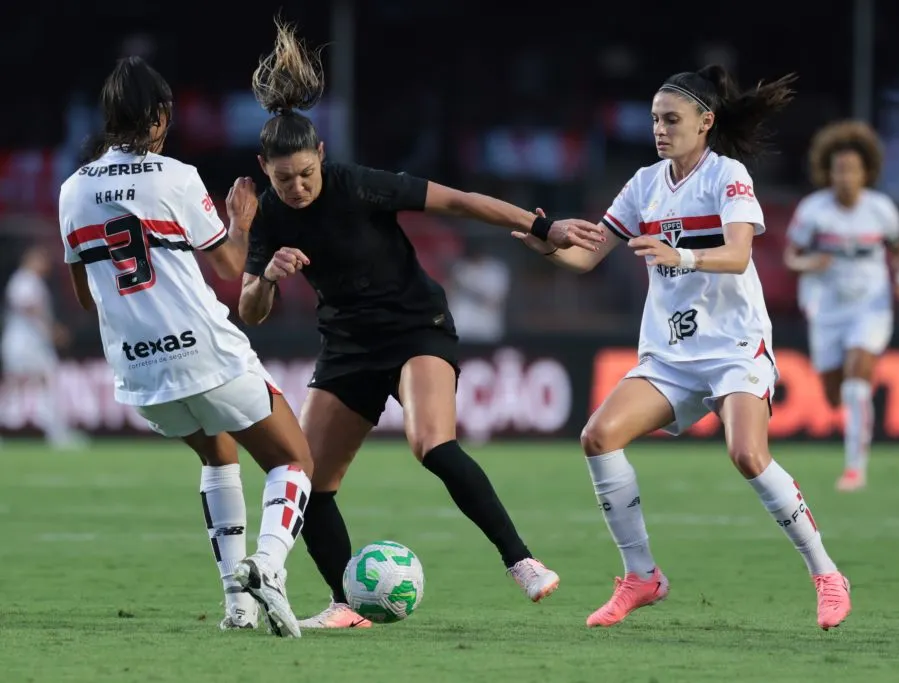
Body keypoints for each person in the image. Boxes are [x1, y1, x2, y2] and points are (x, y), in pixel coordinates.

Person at [237, 18, 604, 629]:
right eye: (283, 178)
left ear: (322, 155)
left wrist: (544, 226)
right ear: (263, 169)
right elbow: (250, 309)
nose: (297, 187)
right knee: (308, 482)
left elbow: (459, 200)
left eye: (306, 172)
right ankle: (346, 603)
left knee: (430, 444)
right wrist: (268, 276)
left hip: (415, 327)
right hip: (348, 344)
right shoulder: (270, 216)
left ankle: (521, 560)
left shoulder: (360, 186)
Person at [515, 65, 852, 631]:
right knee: (598, 436)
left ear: (705, 122)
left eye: (671, 119)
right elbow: (587, 257)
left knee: (747, 454)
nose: (659, 129)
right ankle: (641, 576)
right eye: (654, 120)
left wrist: (683, 255)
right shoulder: (644, 184)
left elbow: (739, 255)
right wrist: (545, 248)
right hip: (671, 354)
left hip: (735, 346)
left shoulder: (727, 176)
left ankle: (827, 574)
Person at [59, 56, 314, 637]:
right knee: (293, 459)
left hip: (139, 372)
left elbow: (85, 299)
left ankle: (239, 607)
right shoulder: (175, 176)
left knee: (218, 455)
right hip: (205, 351)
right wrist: (241, 219)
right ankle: (269, 566)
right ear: (159, 116)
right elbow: (228, 264)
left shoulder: (71, 191)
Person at [783, 121, 899, 492]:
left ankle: (855, 468)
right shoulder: (813, 210)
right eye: (839, 170)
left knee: (858, 380)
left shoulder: (881, 209)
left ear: (865, 172)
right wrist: (809, 263)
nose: (845, 177)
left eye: (852, 170)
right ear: (828, 172)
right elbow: (791, 257)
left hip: (870, 305)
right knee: (833, 394)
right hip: (826, 307)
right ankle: (854, 416)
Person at [1, 245, 83, 448]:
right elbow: (29, 307)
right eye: (41, 260)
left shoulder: (30, 281)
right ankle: (58, 434)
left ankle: (57, 432)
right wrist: (52, 330)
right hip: (25, 344)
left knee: (29, 387)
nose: (46, 265)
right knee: (31, 385)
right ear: (31, 260)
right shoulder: (25, 280)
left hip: (29, 343)